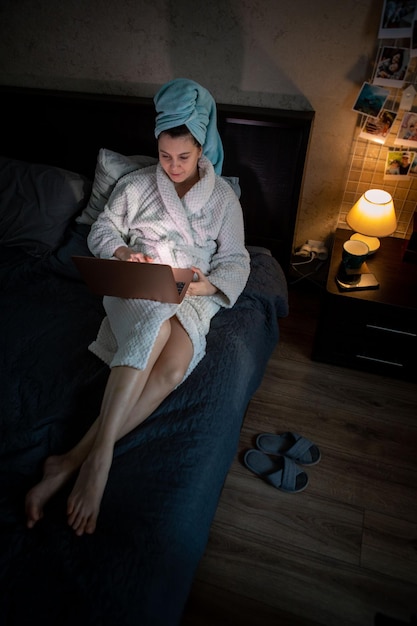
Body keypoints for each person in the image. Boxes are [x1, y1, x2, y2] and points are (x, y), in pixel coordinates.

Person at [25, 78, 250, 536]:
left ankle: (70, 461)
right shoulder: (136, 185)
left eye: (183, 157)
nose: (171, 166)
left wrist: (201, 288)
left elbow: (236, 260)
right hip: (138, 287)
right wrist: (125, 254)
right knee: (156, 327)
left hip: (191, 293)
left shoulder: (223, 200)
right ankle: (100, 460)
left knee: (170, 370)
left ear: (201, 147)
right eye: (165, 155)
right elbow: (103, 230)